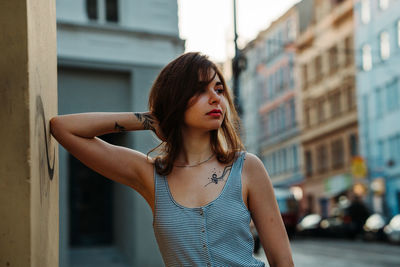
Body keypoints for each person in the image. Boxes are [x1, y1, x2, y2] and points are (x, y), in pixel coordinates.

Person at [50, 52, 294, 267]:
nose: (215, 98)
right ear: (175, 98)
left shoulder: (247, 167)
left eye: (218, 89)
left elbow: (282, 261)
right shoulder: (149, 175)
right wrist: (149, 119)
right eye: (200, 90)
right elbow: (63, 128)